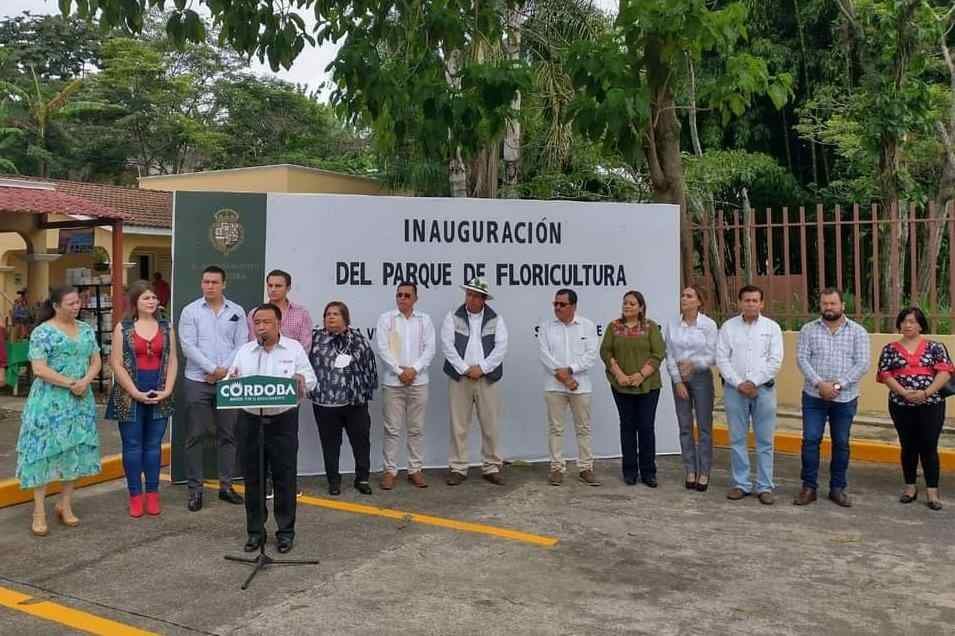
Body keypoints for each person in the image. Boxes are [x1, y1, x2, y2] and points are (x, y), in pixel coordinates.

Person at [229, 303, 316, 554]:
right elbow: (231, 380)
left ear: (278, 324)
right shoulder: (246, 351)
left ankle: (285, 533)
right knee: (253, 478)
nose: (261, 327)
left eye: (267, 322)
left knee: (284, 478)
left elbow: (310, 380)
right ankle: (255, 532)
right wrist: (231, 381)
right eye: (257, 323)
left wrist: (302, 382)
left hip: (282, 421)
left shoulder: (294, 349)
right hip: (250, 421)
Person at [17, 286, 102, 536]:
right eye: (71, 303)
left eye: (78, 302)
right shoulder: (42, 332)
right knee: (44, 453)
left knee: (74, 451)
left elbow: (96, 361)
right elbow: (40, 369)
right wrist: (70, 383)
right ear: (56, 305)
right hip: (49, 401)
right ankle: (39, 511)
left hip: (80, 401)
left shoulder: (85, 329)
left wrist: (85, 381)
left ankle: (64, 504)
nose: (76, 307)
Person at [178, 265, 248, 511]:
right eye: (206, 282)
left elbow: (241, 345)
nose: (209, 286)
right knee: (195, 436)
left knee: (228, 435)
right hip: (198, 380)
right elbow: (188, 346)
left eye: (215, 282)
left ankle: (226, 487)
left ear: (224, 284)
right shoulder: (190, 311)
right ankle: (195, 491)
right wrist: (210, 369)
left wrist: (222, 372)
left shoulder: (237, 311)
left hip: (228, 381)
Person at [106, 281, 179, 518]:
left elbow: (173, 360)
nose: (152, 302)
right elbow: (116, 363)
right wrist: (135, 392)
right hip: (129, 394)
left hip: (160, 391)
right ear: (135, 302)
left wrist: (167, 390)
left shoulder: (167, 327)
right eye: (146, 298)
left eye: (154, 298)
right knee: (133, 446)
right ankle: (135, 496)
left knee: (153, 446)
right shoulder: (123, 327)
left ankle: (153, 494)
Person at [794, 288, 870, 508]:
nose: (829, 307)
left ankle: (837, 488)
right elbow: (802, 359)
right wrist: (820, 384)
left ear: (842, 306)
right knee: (810, 440)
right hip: (813, 396)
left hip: (845, 397)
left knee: (841, 443)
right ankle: (809, 487)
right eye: (825, 303)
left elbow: (863, 363)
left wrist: (837, 385)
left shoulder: (858, 332)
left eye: (833, 303)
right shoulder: (808, 329)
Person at [877, 306, 953, 511]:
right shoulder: (890, 349)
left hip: (931, 404)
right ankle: (910, 487)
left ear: (920, 325)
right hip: (900, 404)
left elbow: (945, 372)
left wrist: (926, 393)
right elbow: (885, 374)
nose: (907, 325)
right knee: (908, 445)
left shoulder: (936, 347)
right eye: (904, 321)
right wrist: (903, 392)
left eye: (912, 321)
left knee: (929, 445)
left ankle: (932, 492)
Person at [247, 269, 314, 499]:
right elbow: (252, 345)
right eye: (270, 285)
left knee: (286, 443)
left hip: (289, 387)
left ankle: (287, 483)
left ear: (288, 288)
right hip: (261, 389)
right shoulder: (256, 313)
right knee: (261, 442)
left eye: (278, 285)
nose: (273, 289)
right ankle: (266, 483)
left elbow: (304, 345)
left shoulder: (301, 314)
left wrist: (289, 368)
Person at [717, 285, 784, 505]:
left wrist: (754, 381)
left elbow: (775, 360)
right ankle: (741, 484)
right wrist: (739, 383)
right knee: (737, 439)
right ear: (740, 303)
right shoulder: (728, 327)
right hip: (734, 391)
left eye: (755, 300)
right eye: (747, 300)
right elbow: (722, 359)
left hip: (763, 390)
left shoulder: (772, 328)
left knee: (765, 441)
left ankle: (765, 487)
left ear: (762, 303)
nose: (751, 304)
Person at [441, 277, 509, 486]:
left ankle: (491, 466)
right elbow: (447, 346)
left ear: (483, 299)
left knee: (491, 424)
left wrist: (482, 369)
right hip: (460, 378)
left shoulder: (496, 319)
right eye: (468, 294)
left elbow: (501, 348)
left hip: (487, 378)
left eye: (474, 295)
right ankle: (458, 467)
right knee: (459, 425)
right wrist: (465, 369)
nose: (470, 298)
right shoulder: (452, 317)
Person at [309, 301, 378, 496]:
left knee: (361, 440)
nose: (331, 317)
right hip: (325, 402)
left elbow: (369, 365)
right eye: (328, 314)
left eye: (336, 314)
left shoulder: (357, 338)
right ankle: (333, 481)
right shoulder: (315, 338)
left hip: (354, 401)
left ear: (345, 318)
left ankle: (362, 478)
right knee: (330, 443)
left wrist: (366, 391)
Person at [374, 282, 436, 489]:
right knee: (392, 429)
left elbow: (430, 349)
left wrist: (414, 370)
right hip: (393, 382)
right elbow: (382, 349)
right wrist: (401, 372)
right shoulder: (386, 319)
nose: (402, 298)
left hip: (419, 382)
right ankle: (390, 471)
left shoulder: (424, 320)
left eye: (407, 295)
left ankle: (415, 470)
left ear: (415, 299)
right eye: (399, 295)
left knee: (416, 429)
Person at [600, 290, 665, 487]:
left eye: (632, 303)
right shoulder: (614, 327)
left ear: (641, 307)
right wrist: (619, 374)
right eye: (625, 303)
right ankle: (629, 471)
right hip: (621, 386)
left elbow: (658, 353)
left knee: (646, 427)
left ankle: (648, 472)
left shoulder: (650, 327)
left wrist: (641, 375)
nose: (627, 306)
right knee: (627, 427)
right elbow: (605, 351)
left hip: (648, 386)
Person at [538, 288, 600, 486]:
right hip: (554, 385)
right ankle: (557, 469)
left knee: (584, 428)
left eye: (562, 304)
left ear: (573, 306)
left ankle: (586, 468)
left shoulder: (587, 326)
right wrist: (565, 379)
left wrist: (571, 370)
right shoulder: (546, 327)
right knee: (556, 429)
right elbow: (544, 356)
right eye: (555, 304)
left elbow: (591, 356)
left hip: (581, 387)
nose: (557, 307)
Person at [663, 286, 718, 492]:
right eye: (683, 296)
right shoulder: (672, 324)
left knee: (704, 426)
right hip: (679, 378)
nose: (684, 299)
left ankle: (704, 471)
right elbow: (668, 354)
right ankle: (690, 469)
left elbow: (713, 356)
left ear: (699, 301)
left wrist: (693, 363)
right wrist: (677, 380)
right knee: (685, 426)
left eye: (689, 296)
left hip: (701, 377)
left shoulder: (709, 325)